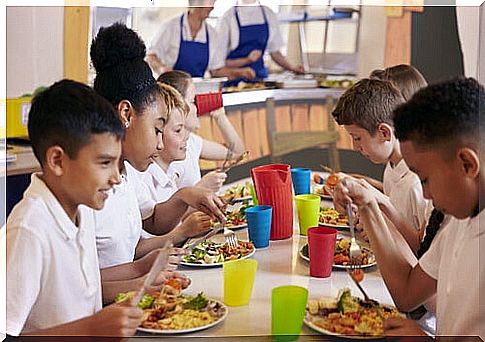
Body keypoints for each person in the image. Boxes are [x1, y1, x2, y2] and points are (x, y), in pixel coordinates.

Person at [335, 77, 484, 339]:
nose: (425, 192)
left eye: (425, 179)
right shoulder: (459, 221)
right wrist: (368, 204)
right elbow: (406, 292)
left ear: (467, 165)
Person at [4, 80, 150, 336]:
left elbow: (81, 295)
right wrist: (92, 329)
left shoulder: (82, 209)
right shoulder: (30, 229)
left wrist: (139, 280)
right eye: (105, 163)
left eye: (117, 163)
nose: (116, 177)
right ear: (58, 161)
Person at [90, 23, 225, 269]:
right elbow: (87, 283)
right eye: (157, 129)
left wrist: (186, 195)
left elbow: (151, 221)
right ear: (126, 114)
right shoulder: (90, 187)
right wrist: (141, 271)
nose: (161, 144)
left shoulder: (127, 170)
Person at [331, 78, 431, 253]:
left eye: (357, 138)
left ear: (384, 133)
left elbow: (421, 250)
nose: (355, 147)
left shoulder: (417, 184)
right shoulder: (392, 166)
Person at [158, 70, 245, 192]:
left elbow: (237, 153)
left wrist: (220, 117)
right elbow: (165, 209)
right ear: (177, 106)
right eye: (193, 101)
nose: (198, 106)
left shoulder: (191, 142)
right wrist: (202, 188)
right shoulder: (169, 151)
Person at [146, 0, 255, 80]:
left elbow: (216, 70)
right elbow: (151, 56)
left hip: (196, 93)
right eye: (210, 3)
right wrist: (162, 69)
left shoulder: (212, 34)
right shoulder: (171, 26)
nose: (212, 7)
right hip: (170, 93)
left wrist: (239, 72)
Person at [218, 0, 304, 84]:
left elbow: (275, 52)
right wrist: (246, 61)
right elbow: (219, 64)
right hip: (233, 83)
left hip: (260, 81)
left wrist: (293, 68)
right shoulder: (228, 17)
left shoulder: (268, 14)